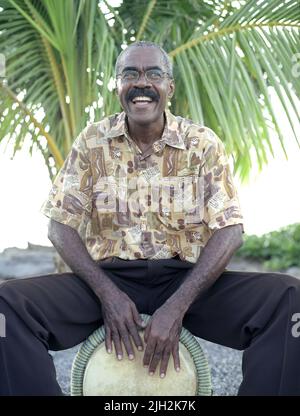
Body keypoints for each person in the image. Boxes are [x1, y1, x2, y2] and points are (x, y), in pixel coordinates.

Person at [0, 41, 300, 396]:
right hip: (107, 279)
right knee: (7, 307)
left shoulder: (201, 144)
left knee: (290, 299)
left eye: (153, 74)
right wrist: (107, 294)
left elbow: (230, 231)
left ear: (169, 87)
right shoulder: (93, 141)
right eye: (130, 74)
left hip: (185, 280)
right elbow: (59, 226)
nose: (141, 83)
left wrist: (177, 305)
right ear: (118, 86)